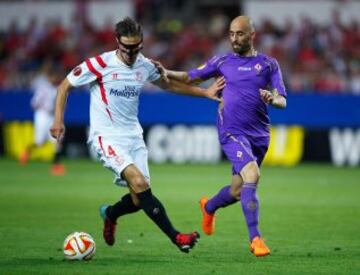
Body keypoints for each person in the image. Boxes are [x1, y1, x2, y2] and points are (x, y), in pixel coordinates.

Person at [50, 17, 225, 253]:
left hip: (134, 136)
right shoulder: (99, 64)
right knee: (140, 183)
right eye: (127, 48)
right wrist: (58, 119)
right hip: (106, 136)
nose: (132, 53)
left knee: (138, 198)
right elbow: (65, 86)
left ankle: (110, 214)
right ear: (117, 43)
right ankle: (177, 238)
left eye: (136, 47)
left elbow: (170, 85)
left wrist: (205, 94)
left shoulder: (145, 65)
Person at [156, 15, 287, 257]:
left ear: (252, 35)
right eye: (231, 34)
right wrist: (167, 72)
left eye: (240, 33)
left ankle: (209, 205)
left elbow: (282, 100)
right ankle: (255, 239)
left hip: (259, 135)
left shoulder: (269, 64)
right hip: (231, 130)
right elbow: (190, 76)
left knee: (239, 191)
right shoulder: (222, 61)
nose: (235, 38)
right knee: (252, 174)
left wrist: (272, 98)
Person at [19, 61, 65, 176]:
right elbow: (33, 103)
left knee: (57, 140)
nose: (55, 78)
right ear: (49, 77)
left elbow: (62, 105)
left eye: (57, 76)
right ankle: (27, 151)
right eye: (54, 76)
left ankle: (56, 166)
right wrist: (45, 106)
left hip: (52, 116)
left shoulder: (59, 89)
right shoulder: (42, 88)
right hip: (42, 115)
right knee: (39, 142)